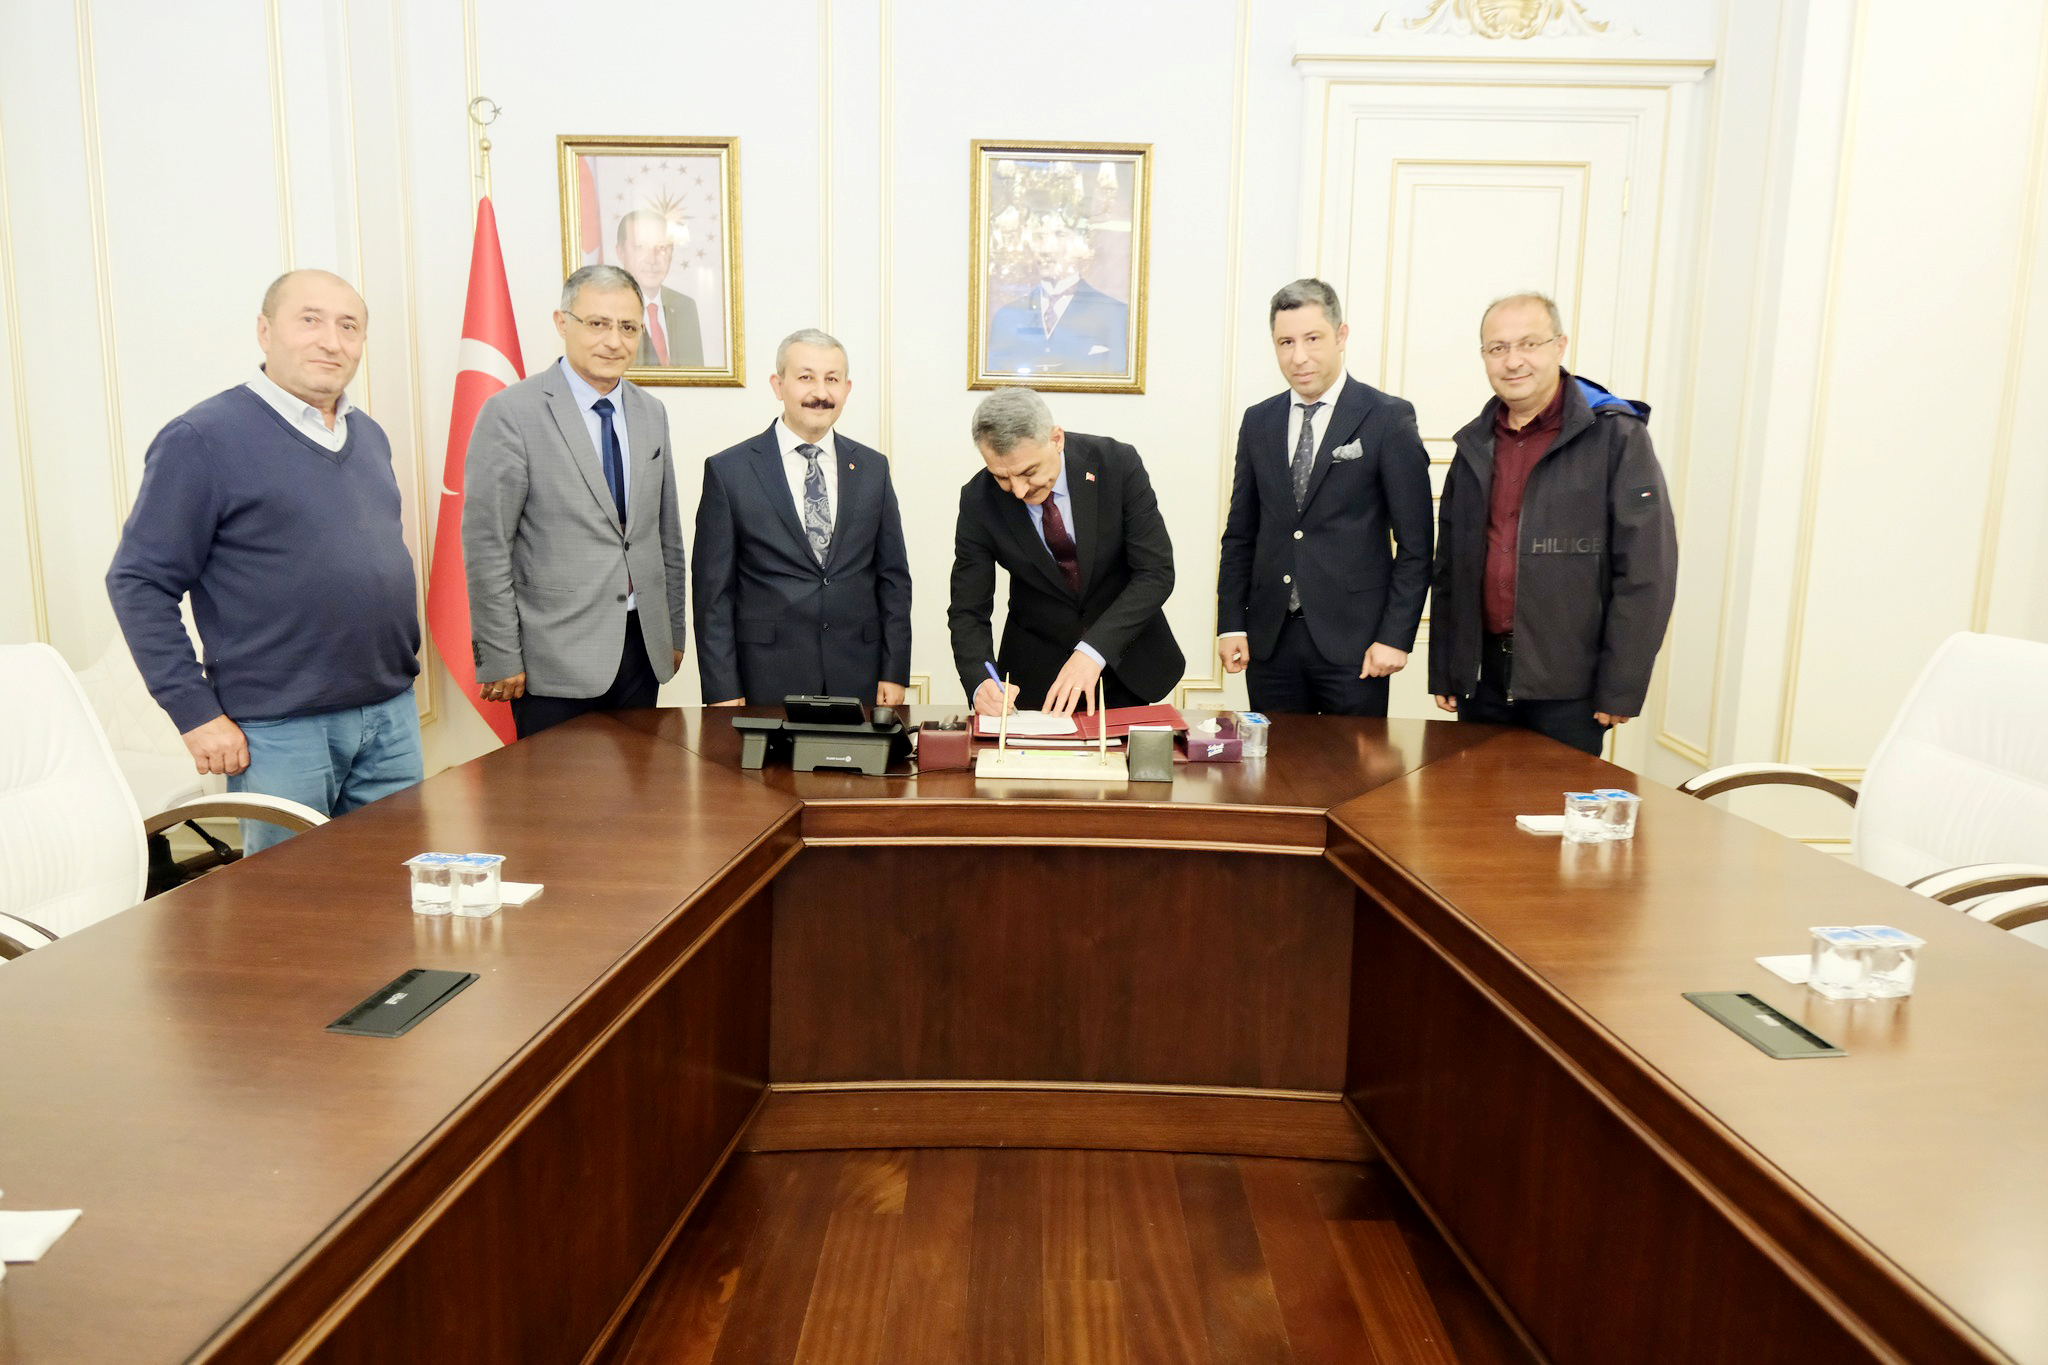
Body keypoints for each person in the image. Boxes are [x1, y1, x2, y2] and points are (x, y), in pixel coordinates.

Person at [106, 269, 421, 853]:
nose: (331, 341)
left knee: (394, 881)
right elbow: (138, 581)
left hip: (390, 713)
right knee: (289, 897)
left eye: (348, 326)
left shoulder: (369, 436)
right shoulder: (202, 437)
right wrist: (195, 713)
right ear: (265, 331)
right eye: (310, 320)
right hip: (279, 731)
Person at [1428, 292, 1678, 756]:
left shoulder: (1616, 435)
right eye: (1498, 348)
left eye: (1529, 343)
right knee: (1473, 801)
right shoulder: (1474, 444)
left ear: (1560, 346)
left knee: (1555, 803)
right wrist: (1447, 667)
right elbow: (1450, 567)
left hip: (1571, 686)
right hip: (1482, 681)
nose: (1513, 361)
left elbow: (1647, 572)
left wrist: (1621, 684)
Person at [462, 264, 689, 738]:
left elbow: (665, 532)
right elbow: (488, 545)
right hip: (553, 657)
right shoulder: (511, 413)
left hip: (641, 649)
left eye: (628, 327)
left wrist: (671, 629)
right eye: (598, 323)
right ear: (562, 323)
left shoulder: (651, 412)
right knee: (558, 787)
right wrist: (500, 654)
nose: (614, 341)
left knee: (643, 781)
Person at [1215, 278, 1433, 716]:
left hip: (1357, 643)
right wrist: (1231, 624)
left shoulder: (1387, 418)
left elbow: (1416, 544)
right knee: (1276, 759)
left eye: (1312, 338)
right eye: (1286, 342)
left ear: (1341, 335)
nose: (1299, 356)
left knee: (1354, 762)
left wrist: (1395, 636)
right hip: (1270, 640)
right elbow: (1240, 534)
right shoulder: (1258, 421)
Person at [692, 329, 911, 707]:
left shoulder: (873, 468)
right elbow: (713, 595)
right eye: (806, 377)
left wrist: (894, 669)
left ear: (847, 388)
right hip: (765, 677)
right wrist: (723, 688)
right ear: (778, 385)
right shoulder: (730, 471)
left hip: (857, 674)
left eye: (832, 379)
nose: (820, 393)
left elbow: (893, 578)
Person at [950, 386, 1183, 717]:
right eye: (1002, 477)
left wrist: (1093, 651)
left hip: (1124, 661)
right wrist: (979, 681)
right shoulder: (978, 500)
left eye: (1028, 472)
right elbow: (968, 609)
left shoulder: (1116, 464)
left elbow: (1155, 573)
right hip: (1035, 676)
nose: (1018, 490)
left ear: (1056, 439)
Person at [985, 215, 1129, 376]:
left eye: (1060, 235)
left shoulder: (1117, 315)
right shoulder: (1006, 317)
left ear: (1082, 243)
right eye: (1039, 237)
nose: (1046, 249)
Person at [615, 209, 704, 368]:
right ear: (621, 252)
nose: (652, 259)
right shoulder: (607, 309)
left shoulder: (685, 306)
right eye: (641, 247)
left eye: (661, 248)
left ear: (672, 252)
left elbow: (697, 377)